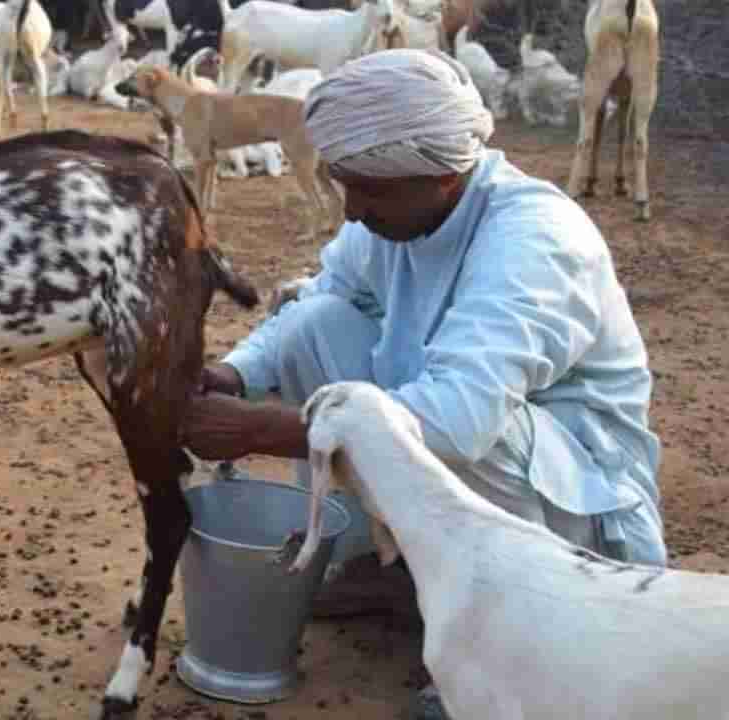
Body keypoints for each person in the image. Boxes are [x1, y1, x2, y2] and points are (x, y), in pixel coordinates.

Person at [178, 49, 667, 720]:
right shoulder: (398, 215)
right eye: (343, 183)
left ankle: (505, 654)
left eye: (366, 190)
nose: (351, 211)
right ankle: (395, 572)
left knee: (466, 430)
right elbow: (325, 298)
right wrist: (234, 374)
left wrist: (260, 429)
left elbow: (459, 421)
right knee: (319, 320)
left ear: (440, 177)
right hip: (480, 445)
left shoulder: (536, 239)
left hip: (572, 502)